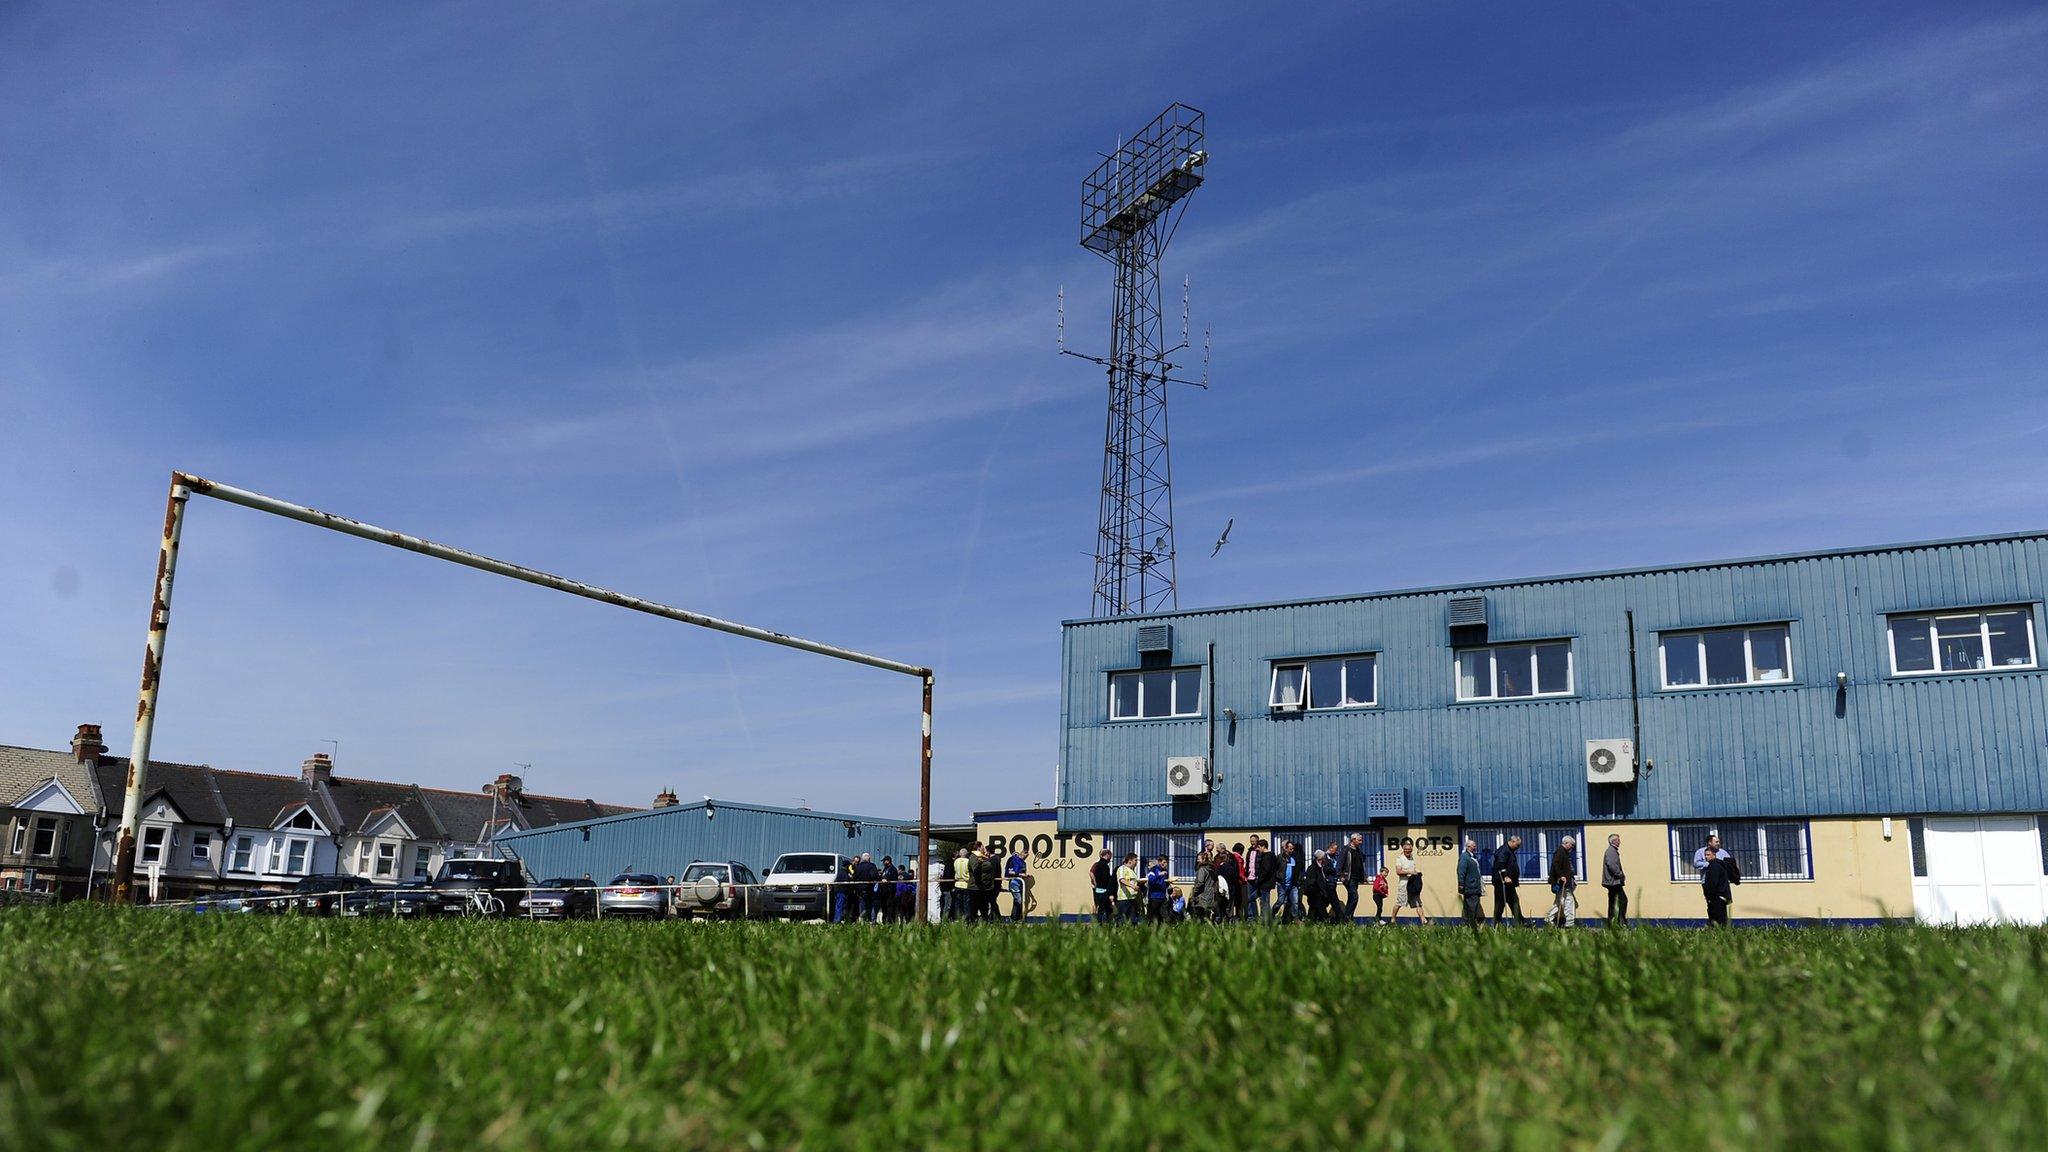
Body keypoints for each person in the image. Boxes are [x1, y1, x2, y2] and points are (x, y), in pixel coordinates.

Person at [1389, 839, 1428, 925]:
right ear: (1403, 849)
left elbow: (1412, 870)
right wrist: (1410, 872)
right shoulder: (1399, 859)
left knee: (1418, 904)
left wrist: (1416, 874)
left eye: (1409, 850)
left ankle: (1424, 921)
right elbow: (1398, 872)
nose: (1408, 851)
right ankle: (1392, 919)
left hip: (1412, 884)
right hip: (1404, 885)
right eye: (1406, 850)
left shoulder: (1412, 858)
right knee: (1399, 903)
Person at [1491, 835, 1527, 926]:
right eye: (1517, 845)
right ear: (1513, 841)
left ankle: (1521, 922)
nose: (1518, 847)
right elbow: (1501, 863)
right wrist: (1505, 876)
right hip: (1502, 883)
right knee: (1500, 904)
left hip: (1510, 884)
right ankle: (1496, 924)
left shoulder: (1510, 851)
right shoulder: (1504, 850)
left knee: (1514, 901)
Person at [1546, 836, 1578, 928]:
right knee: (1569, 901)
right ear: (1566, 843)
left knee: (1559, 902)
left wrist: (1572, 878)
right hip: (1561, 882)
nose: (1572, 847)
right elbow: (1556, 864)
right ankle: (1570, 923)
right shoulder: (1560, 852)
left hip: (1563, 881)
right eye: (1572, 845)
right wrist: (1561, 876)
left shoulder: (1563, 852)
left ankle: (1549, 918)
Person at [1702, 843, 1736, 925]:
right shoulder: (1717, 865)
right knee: (1721, 920)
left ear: (1714, 854)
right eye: (1705, 855)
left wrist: (1709, 896)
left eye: (1708, 855)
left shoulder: (1714, 866)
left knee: (1717, 920)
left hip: (1716, 898)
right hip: (1720, 897)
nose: (1706, 857)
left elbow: (1713, 883)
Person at [1339, 833, 1369, 923]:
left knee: (1351, 898)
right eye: (1359, 840)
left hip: (1356, 878)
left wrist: (1364, 876)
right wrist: (1341, 875)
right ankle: (1346, 918)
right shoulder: (1346, 850)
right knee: (1354, 897)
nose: (1361, 842)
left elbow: (1361, 863)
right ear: (1353, 840)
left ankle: (1349, 919)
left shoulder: (1358, 851)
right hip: (1348, 878)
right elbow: (1340, 862)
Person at [1249, 838, 1279, 922]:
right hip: (1265, 884)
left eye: (1258, 847)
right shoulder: (1271, 856)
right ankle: (1262, 918)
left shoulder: (1267, 857)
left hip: (1264, 884)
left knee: (1264, 903)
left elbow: (1266, 871)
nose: (1258, 850)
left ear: (1263, 846)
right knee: (1252, 898)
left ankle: (1266, 920)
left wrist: (1259, 880)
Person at [1601, 834, 1628, 927]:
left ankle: (1612, 922)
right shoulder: (1611, 851)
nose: (1619, 842)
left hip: (1612, 881)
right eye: (1618, 840)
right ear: (1613, 841)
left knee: (1613, 901)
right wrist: (1620, 874)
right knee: (1623, 900)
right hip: (1613, 882)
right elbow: (1611, 865)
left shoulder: (1612, 851)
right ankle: (1621, 921)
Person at [1457, 837, 1484, 928]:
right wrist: (1461, 883)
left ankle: (1469, 923)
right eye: (1474, 846)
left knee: (1472, 905)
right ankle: (1471, 923)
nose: (1475, 847)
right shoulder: (1465, 857)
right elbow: (1461, 871)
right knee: (1472, 905)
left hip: (1474, 886)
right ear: (1468, 847)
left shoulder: (1472, 857)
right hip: (1470, 886)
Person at [1191, 849, 1218, 922]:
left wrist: (1194, 892)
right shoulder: (1211, 869)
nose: (1197, 861)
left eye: (1199, 859)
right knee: (1207, 916)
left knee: (1200, 917)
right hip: (1210, 894)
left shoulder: (1202, 869)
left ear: (1203, 859)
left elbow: (1200, 883)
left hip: (1202, 895)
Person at [1277, 840, 1301, 923]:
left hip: (1293, 884)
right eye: (1290, 849)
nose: (1292, 850)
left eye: (1293, 849)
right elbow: (1276, 869)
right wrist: (1278, 878)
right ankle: (1272, 915)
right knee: (1280, 902)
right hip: (1282, 884)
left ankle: (1296, 918)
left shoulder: (1295, 858)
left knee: (1295, 902)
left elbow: (1298, 870)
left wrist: (1298, 880)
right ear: (1286, 849)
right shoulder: (1280, 857)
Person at [1090, 848, 1116, 924]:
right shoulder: (1104, 865)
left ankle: (1099, 924)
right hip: (1104, 890)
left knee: (1100, 909)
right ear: (1107, 855)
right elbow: (1106, 878)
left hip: (1098, 889)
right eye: (1110, 856)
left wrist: (1095, 884)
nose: (1110, 858)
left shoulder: (1097, 864)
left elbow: (1092, 873)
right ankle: (1107, 924)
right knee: (1107, 909)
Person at [1115, 852, 1143, 923]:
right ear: (1130, 861)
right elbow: (1121, 880)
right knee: (1122, 919)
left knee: (1132, 919)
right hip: (1124, 898)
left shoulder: (1132, 871)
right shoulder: (1122, 868)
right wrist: (1133, 886)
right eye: (1135, 860)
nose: (1136, 862)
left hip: (1132, 897)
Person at [1144, 855, 1172, 924]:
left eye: (1166, 863)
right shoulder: (1153, 870)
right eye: (1164, 862)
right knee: (1152, 917)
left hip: (1163, 897)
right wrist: (1159, 875)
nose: (1165, 864)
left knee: (1164, 917)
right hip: (1154, 897)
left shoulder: (1166, 871)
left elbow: (1165, 884)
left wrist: (1168, 882)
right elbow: (1151, 881)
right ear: (1159, 862)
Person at [1005, 842, 1029, 923]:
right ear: (1022, 853)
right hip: (1014, 883)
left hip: (1019, 883)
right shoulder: (1015, 860)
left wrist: (1025, 875)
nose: (1025, 858)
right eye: (1025, 856)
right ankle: (1014, 918)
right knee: (1018, 900)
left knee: (1017, 900)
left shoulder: (1022, 862)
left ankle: (1015, 917)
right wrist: (1020, 874)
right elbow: (1011, 872)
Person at [833, 857, 857, 924]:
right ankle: (837, 920)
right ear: (846, 866)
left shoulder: (841, 872)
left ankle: (838, 919)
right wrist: (850, 878)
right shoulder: (844, 873)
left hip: (839, 891)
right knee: (839, 906)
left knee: (839, 905)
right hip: (841, 891)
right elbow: (846, 882)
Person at [950, 848, 972, 921]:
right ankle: (966, 920)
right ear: (967, 854)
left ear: (960, 854)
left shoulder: (956, 861)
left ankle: (958, 919)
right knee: (966, 904)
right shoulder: (968, 861)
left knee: (958, 904)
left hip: (957, 884)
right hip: (966, 884)